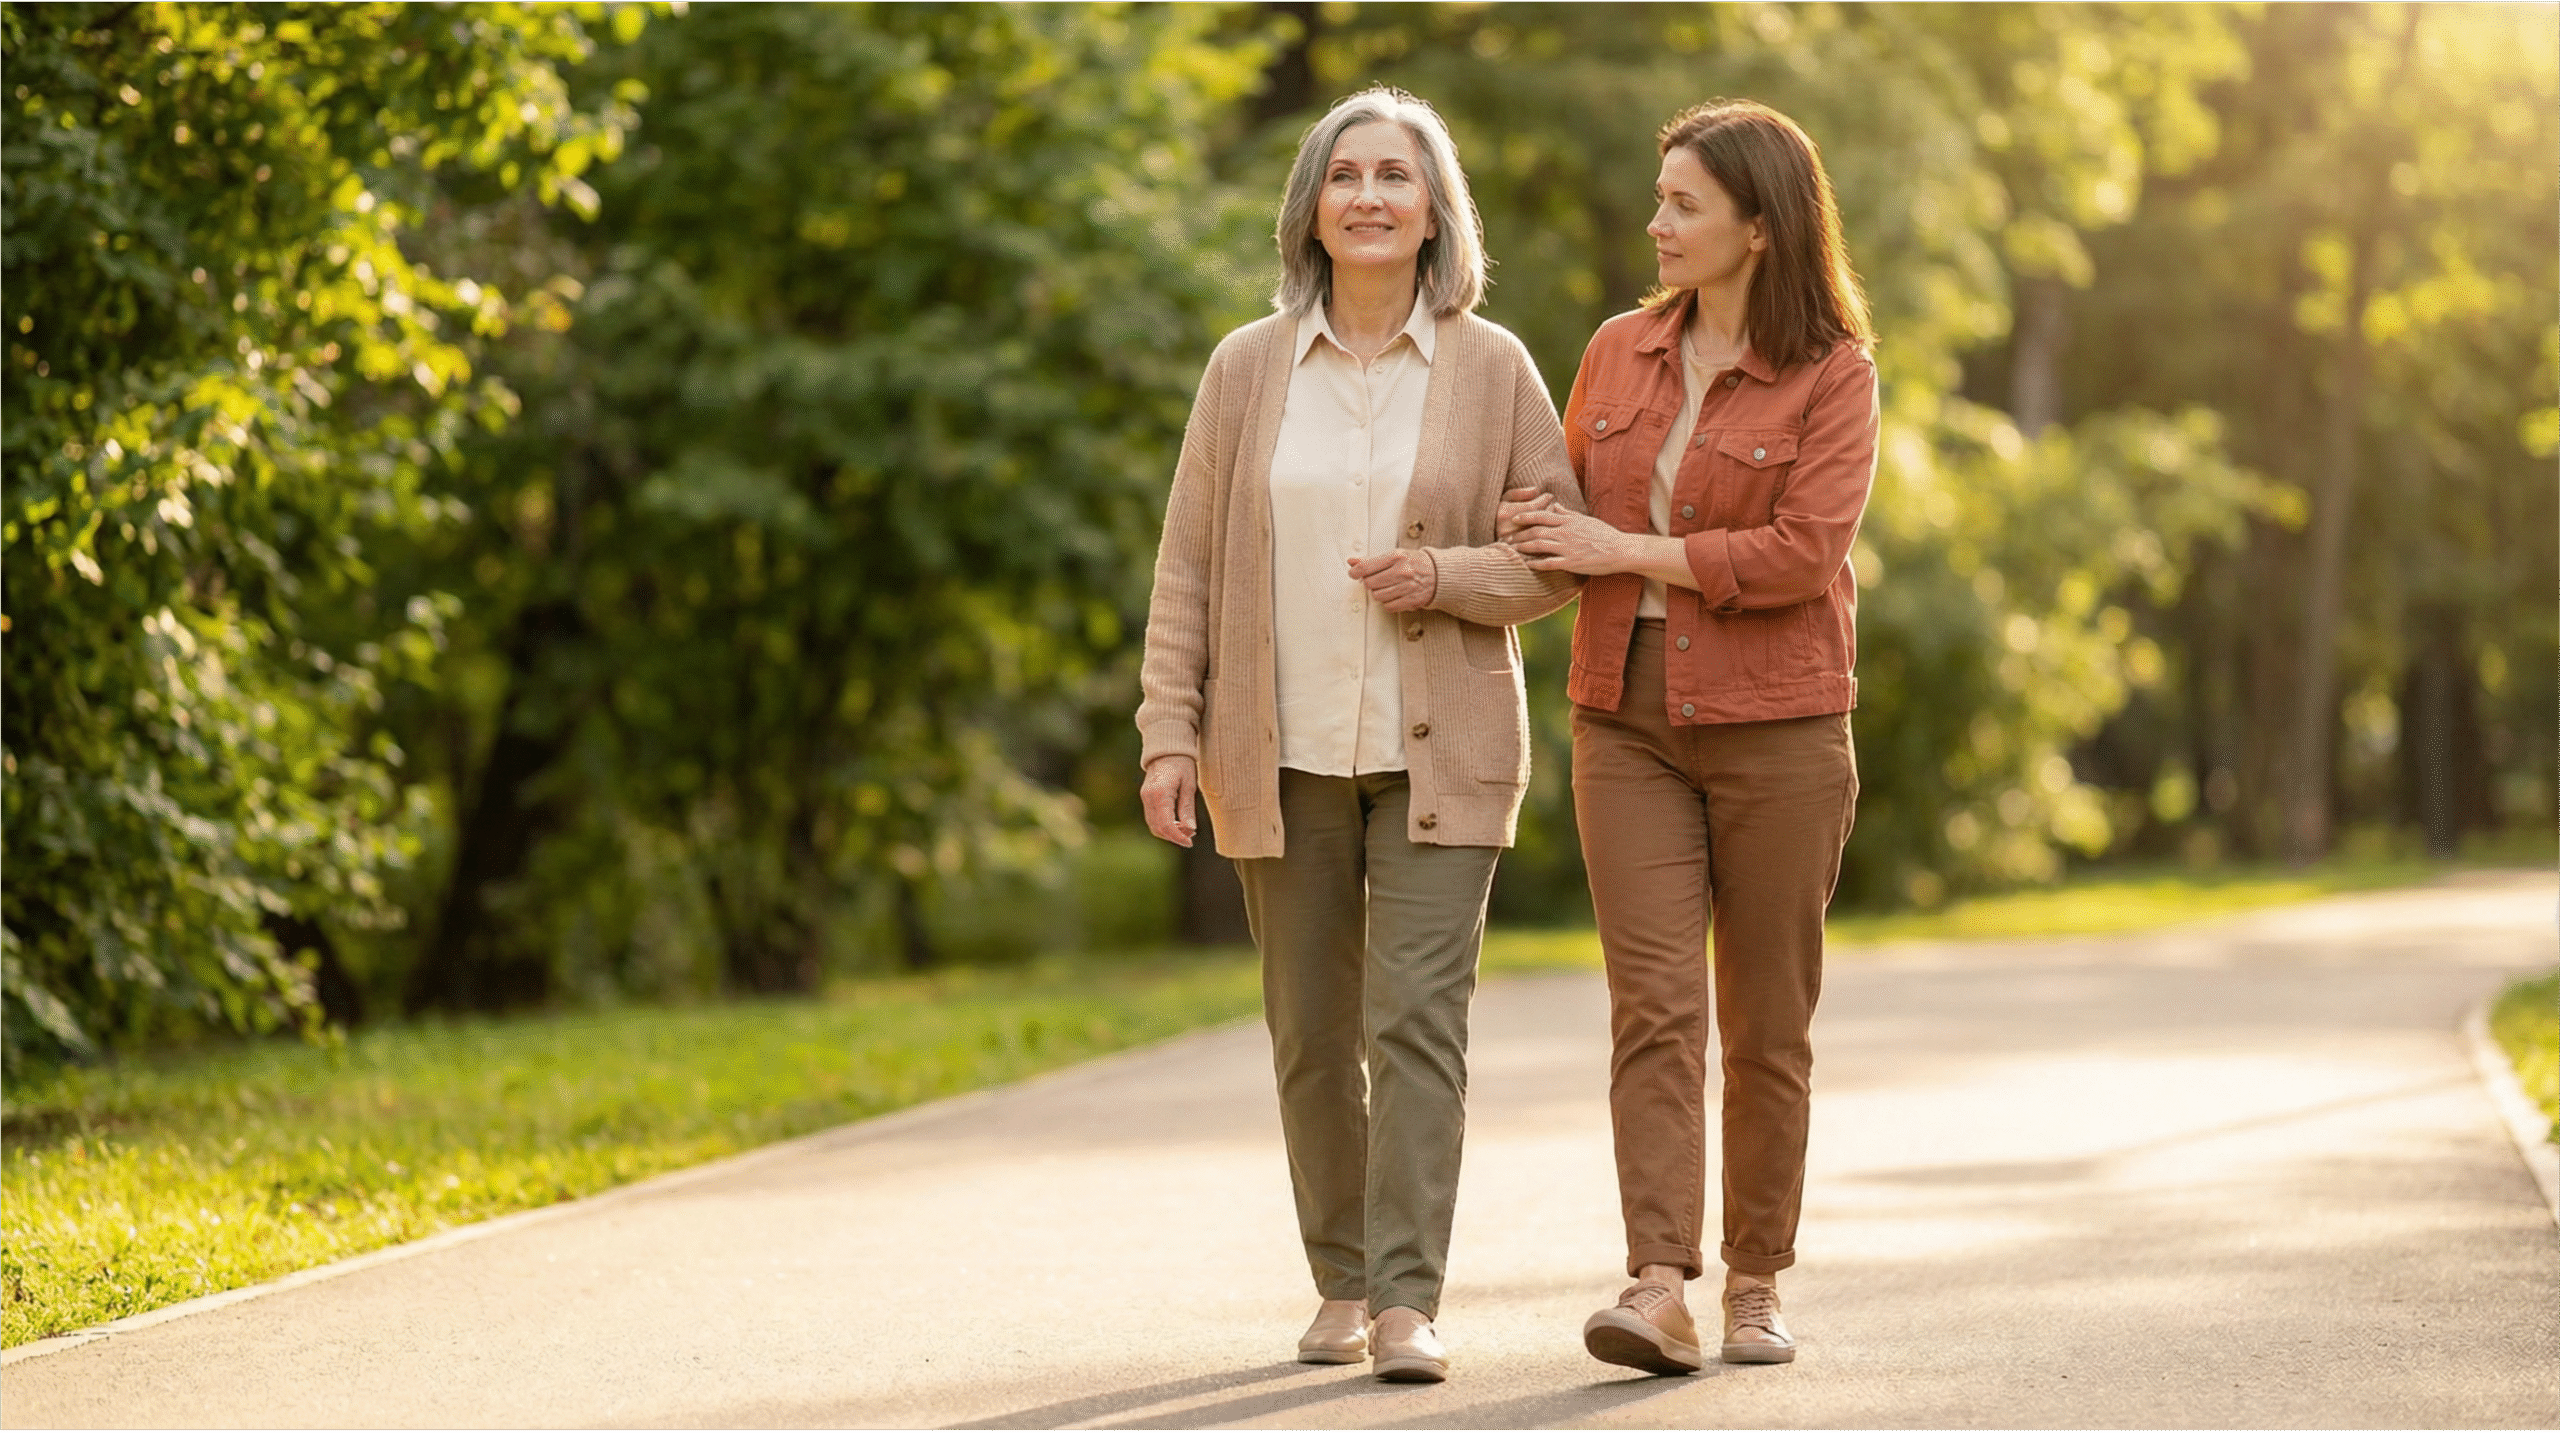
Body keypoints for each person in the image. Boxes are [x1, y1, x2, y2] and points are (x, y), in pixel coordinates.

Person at [1135, 86, 1582, 1384]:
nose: (1371, 197)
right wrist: (1171, 731)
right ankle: (1337, 1276)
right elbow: (1187, 573)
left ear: (1435, 209)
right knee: (1311, 1031)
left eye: (1396, 176)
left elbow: (1556, 556)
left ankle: (1404, 1300)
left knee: (1418, 1023)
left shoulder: (1493, 366)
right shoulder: (1246, 367)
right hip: (1274, 756)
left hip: (1443, 755)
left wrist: (1443, 578)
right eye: (1347, 177)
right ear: (1312, 210)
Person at [1500, 98, 1877, 1374]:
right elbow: (1551, 513)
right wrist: (1486, 542)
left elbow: (1798, 554)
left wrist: (1626, 549)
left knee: (1765, 1019)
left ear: (1758, 229)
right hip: (1627, 714)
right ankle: (1656, 1278)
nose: (1655, 225)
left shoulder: (1835, 372)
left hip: (1781, 723)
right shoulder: (1615, 351)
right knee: (1653, 1008)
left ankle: (1757, 1278)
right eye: (1657, 199)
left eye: (1683, 205)